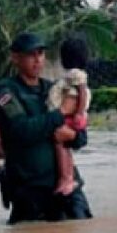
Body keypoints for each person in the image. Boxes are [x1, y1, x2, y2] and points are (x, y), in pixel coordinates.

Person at [0, 32, 92, 224]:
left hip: (67, 185)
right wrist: (59, 114)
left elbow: (81, 137)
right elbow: (21, 130)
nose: (37, 60)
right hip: (30, 188)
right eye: (31, 55)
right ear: (15, 58)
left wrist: (71, 134)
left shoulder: (54, 88)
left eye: (41, 54)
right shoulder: (5, 91)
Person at [47, 39, 91, 196]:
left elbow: (83, 91)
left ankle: (66, 178)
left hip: (69, 117)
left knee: (60, 144)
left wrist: (78, 113)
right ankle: (67, 177)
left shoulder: (75, 74)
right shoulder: (72, 75)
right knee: (63, 146)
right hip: (70, 116)